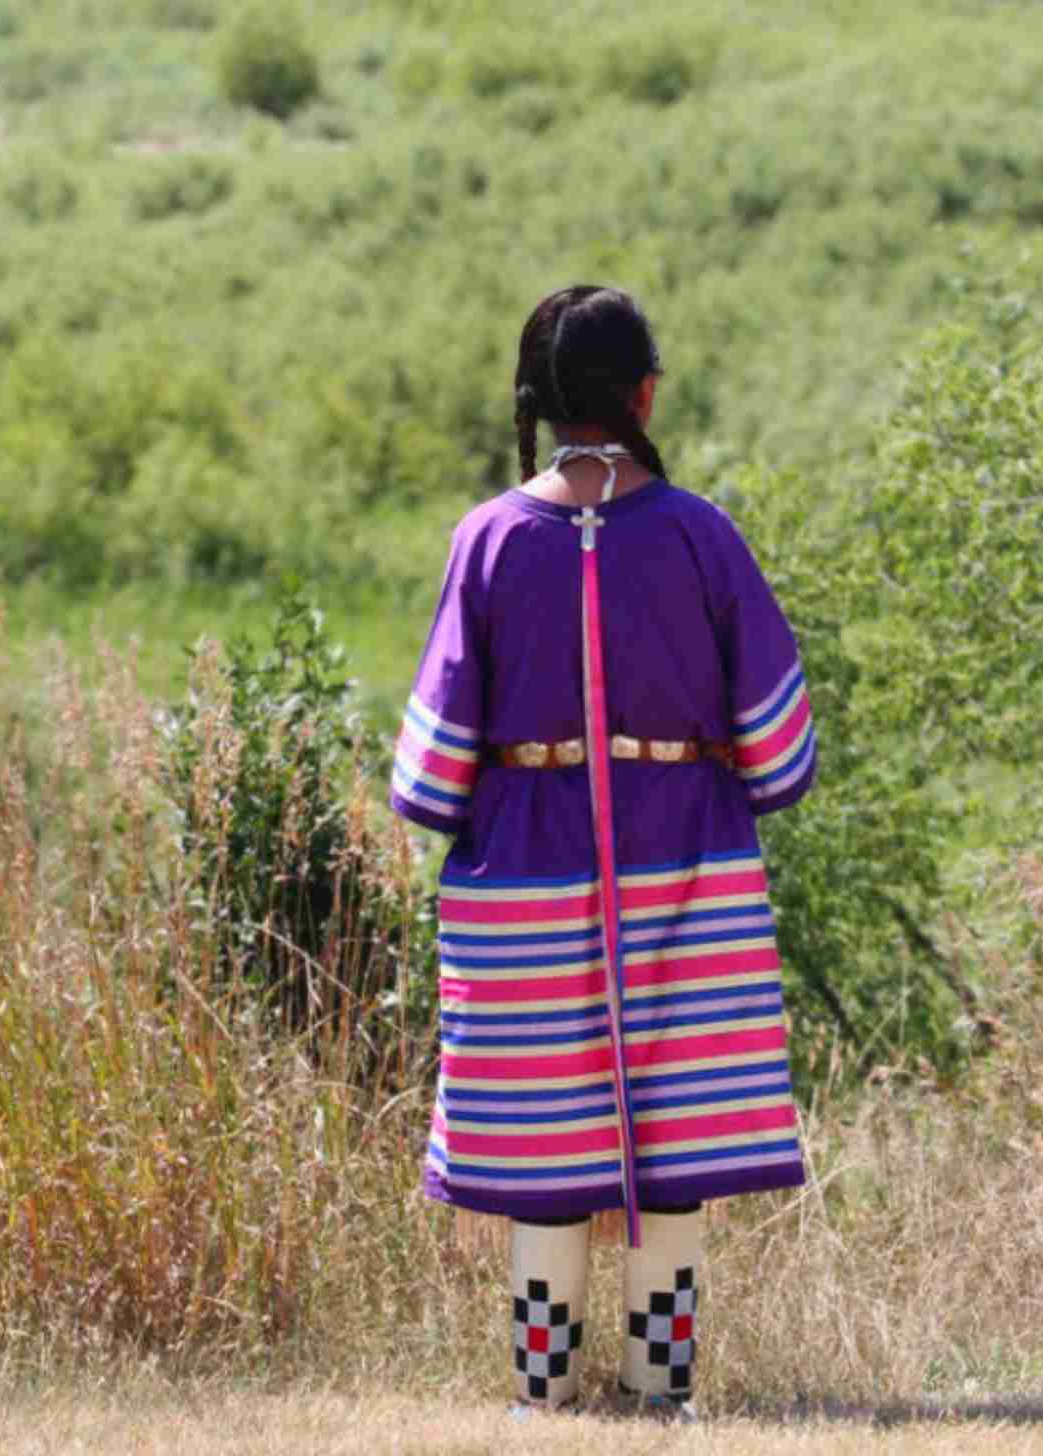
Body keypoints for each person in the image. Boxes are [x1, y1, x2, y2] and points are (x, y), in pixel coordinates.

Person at [389, 285, 816, 1416]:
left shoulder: (485, 539)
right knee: (671, 1140)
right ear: (642, 393)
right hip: (688, 867)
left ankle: (543, 1398)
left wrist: (485, 798)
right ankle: (659, 1391)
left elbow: (427, 776)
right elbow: (778, 745)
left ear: (537, 401)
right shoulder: (699, 532)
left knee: (545, 1147)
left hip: (523, 878)